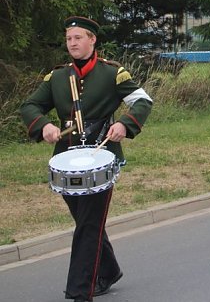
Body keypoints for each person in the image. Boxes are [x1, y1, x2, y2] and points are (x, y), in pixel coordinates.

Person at [20, 16, 153, 302]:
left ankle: (80, 291)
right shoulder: (57, 77)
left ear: (92, 40)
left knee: (88, 224)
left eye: (78, 38)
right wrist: (44, 125)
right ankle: (109, 270)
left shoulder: (112, 73)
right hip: (66, 162)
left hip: (101, 157)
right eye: (69, 39)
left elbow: (143, 101)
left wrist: (125, 124)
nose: (72, 43)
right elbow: (30, 105)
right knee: (86, 221)